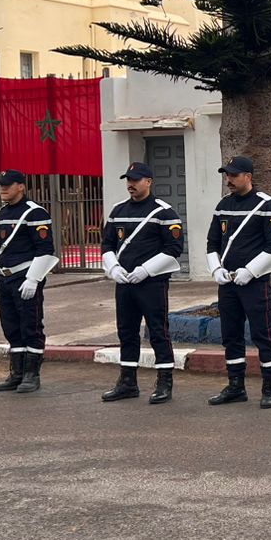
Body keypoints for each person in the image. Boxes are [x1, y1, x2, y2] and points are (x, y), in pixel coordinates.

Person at [100, 161, 184, 404]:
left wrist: (146, 270)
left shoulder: (164, 212)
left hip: (152, 283)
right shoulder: (117, 211)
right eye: (128, 180)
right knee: (126, 331)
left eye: (136, 180)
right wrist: (113, 268)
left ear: (148, 182)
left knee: (158, 331)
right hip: (124, 282)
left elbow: (174, 248)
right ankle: (127, 382)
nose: (131, 184)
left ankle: (164, 382)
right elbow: (107, 243)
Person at [206, 156, 271, 409]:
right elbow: (212, 242)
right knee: (230, 335)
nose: (228, 179)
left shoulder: (266, 205)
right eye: (227, 175)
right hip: (228, 283)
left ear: (248, 176)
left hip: (254, 283)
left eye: (233, 175)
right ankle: (235, 386)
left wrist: (250, 271)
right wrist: (216, 269)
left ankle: (269, 387)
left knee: (263, 334)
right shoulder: (223, 205)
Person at [0, 169, 58, 394]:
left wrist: (33, 279)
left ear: (21, 187)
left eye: (8, 185)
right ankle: (16, 372)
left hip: (24, 277)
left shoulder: (35, 213)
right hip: (5, 279)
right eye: (1, 185)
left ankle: (31, 374)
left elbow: (45, 249)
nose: (3, 189)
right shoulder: (3, 212)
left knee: (30, 326)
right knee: (11, 327)